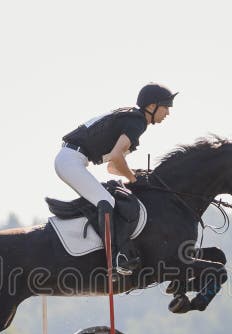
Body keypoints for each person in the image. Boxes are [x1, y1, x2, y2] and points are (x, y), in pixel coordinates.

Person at [55, 83, 177, 275]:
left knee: (106, 199)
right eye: (166, 107)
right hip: (71, 160)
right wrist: (133, 179)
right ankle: (117, 258)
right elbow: (116, 157)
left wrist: (134, 174)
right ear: (152, 107)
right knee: (107, 201)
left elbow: (112, 167)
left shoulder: (132, 119)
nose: (168, 113)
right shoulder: (137, 122)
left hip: (71, 159)